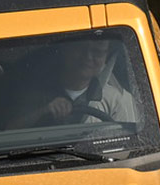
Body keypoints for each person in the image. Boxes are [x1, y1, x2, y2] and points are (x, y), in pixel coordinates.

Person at [9, 37, 142, 129]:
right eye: (81, 48)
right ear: (65, 49)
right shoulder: (35, 92)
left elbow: (130, 146)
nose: (88, 57)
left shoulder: (118, 101)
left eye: (97, 52)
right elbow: (10, 132)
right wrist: (44, 111)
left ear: (105, 57)